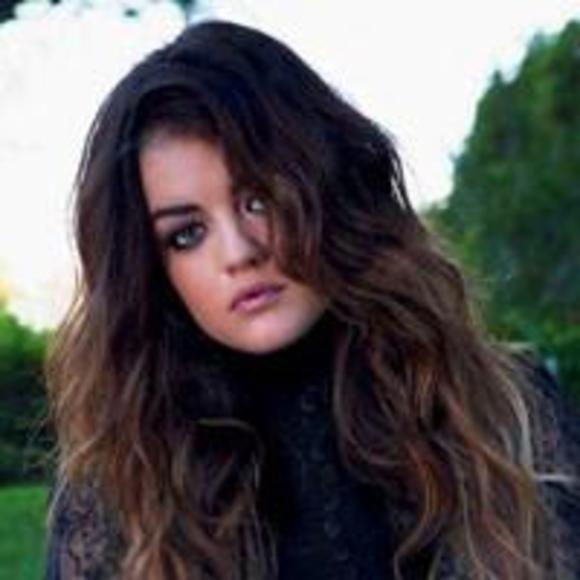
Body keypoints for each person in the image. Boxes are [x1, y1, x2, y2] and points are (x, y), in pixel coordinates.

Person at [43, 19, 580, 580]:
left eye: (258, 199)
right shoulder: (115, 485)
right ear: (152, 270)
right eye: (187, 234)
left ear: (327, 189)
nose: (239, 252)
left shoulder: (508, 412)